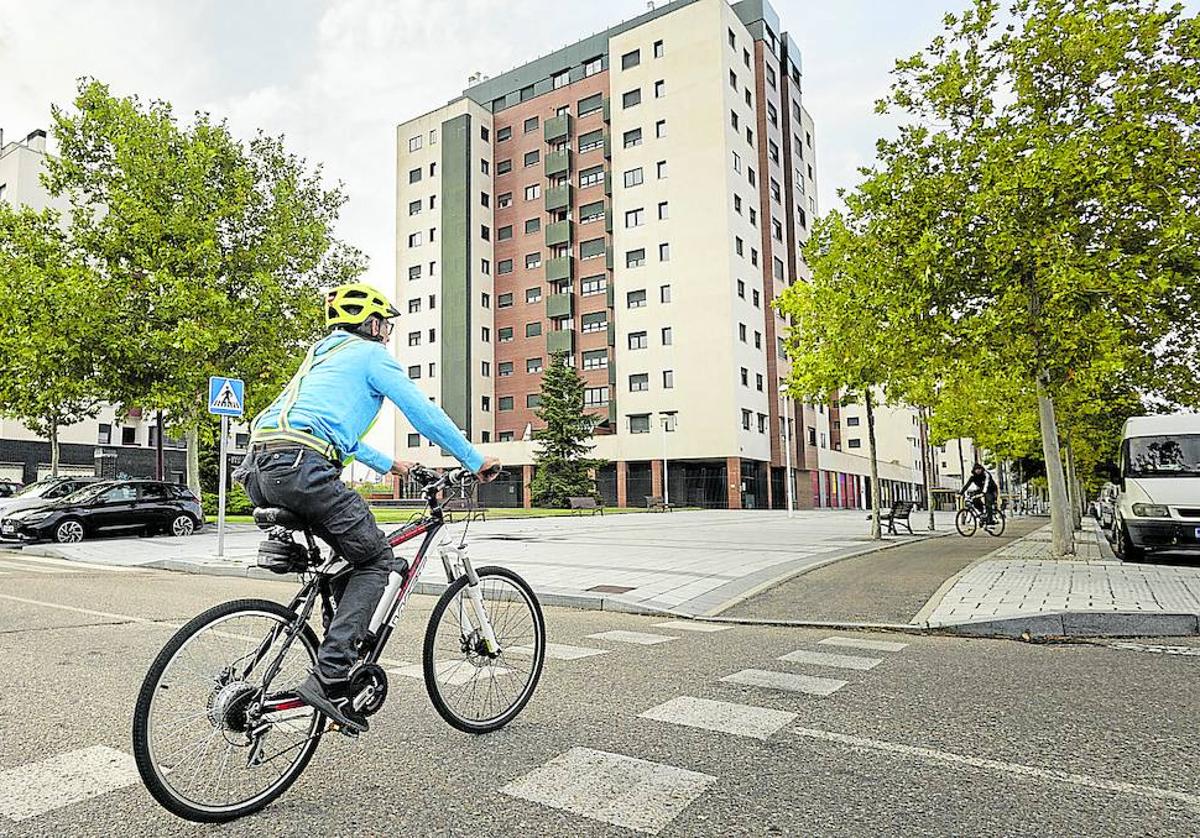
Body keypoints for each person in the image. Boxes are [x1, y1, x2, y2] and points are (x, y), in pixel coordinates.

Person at [235, 282, 500, 733]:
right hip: (303, 469)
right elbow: (423, 413)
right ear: (372, 323)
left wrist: (392, 463)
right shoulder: (371, 355)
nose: (388, 334)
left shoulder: (322, 356)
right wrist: (475, 460)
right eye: (386, 325)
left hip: (259, 468)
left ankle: (340, 650)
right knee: (377, 559)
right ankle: (331, 676)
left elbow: (339, 433)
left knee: (348, 558)